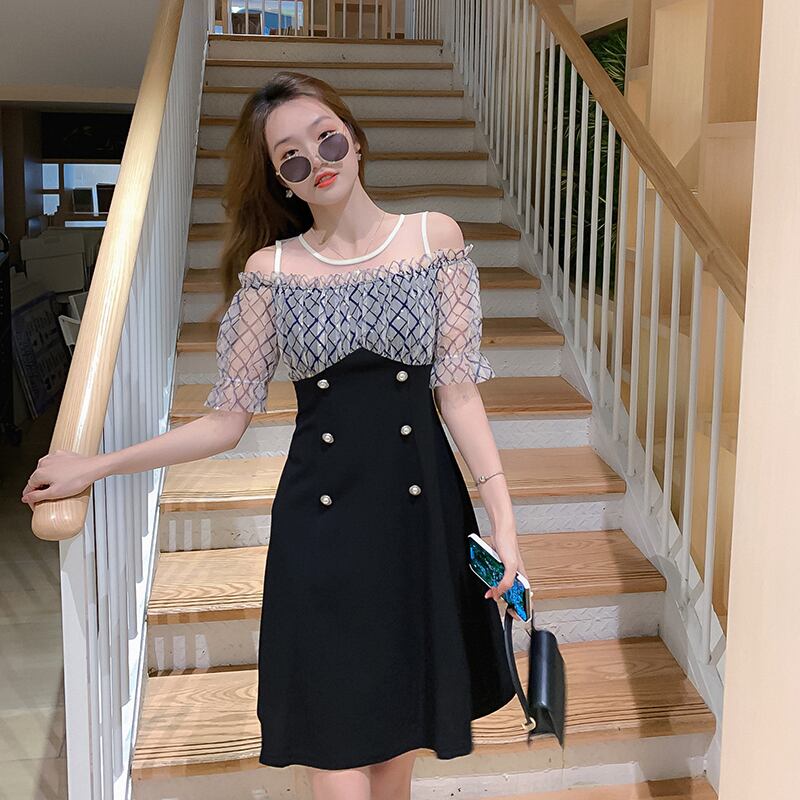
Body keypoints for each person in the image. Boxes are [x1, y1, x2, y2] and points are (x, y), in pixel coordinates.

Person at [21, 72, 529, 800]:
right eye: (290, 156)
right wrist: (97, 465)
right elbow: (225, 420)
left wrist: (503, 522)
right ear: (280, 181)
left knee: (400, 736)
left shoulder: (434, 238)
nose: (315, 160)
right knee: (334, 741)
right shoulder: (273, 272)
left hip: (422, 517)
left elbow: (458, 392)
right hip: (321, 528)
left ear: (355, 139)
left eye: (326, 138)